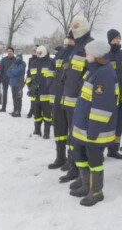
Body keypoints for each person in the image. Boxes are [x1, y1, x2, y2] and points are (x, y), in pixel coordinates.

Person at [69, 40, 118, 206]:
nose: (85, 55)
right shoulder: (93, 71)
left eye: (88, 53)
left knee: (94, 160)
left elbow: (103, 106)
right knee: (80, 155)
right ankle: (86, 185)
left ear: (97, 56)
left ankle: (96, 192)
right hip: (83, 126)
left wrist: (94, 130)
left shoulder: (104, 74)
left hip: (94, 129)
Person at [59, 15, 94, 185]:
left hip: (81, 101)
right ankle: (74, 167)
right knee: (71, 137)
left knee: (80, 138)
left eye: (76, 28)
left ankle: (84, 174)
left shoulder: (90, 46)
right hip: (68, 99)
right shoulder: (75, 47)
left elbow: (93, 71)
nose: (74, 31)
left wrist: (81, 87)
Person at [104, 29, 122, 159]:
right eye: (115, 38)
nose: (117, 40)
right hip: (108, 96)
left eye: (119, 38)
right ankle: (101, 149)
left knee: (119, 124)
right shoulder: (105, 55)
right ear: (109, 40)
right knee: (106, 123)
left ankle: (114, 149)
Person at [47, 40, 70, 169]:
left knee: (72, 133)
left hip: (70, 101)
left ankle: (71, 160)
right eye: (65, 44)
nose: (66, 47)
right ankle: (60, 157)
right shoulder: (56, 59)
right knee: (59, 131)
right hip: (57, 99)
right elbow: (49, 75)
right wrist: (52, 88)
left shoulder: (76, 56)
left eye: (69, 44)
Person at [26, 46, 54, 137]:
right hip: (35, 94)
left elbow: (54, 78)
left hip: (46, 94)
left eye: (40, 53)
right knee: (36, 114)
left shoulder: (51, 62)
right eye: (37, 53)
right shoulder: (33, 63)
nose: (38, 54)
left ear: (45, 52)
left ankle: (46, 132)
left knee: (47, 115)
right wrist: (30, 87)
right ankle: (37, 130)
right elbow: (29, 76)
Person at [0, 47, 15, 113]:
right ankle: (3, 108)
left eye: (10, 51)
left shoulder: (16, 60)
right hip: (5, 80)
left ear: (13, 52)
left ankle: (15, 109)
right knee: (4, 94)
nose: (9, 52)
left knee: (14, 95)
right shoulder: (4, 60)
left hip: (13, 80)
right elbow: (0, 71)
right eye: (8, 51)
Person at [26, 46, 39, 118]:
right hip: (31, 79)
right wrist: (28, 78)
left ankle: (34, 110)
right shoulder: (31, 59)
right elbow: (29, 69)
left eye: (35, 51)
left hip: (37, 79)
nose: (34, 53)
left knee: (36, 96)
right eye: (33, 51)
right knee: (32, 96)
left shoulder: (40, 59)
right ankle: (31, 110)